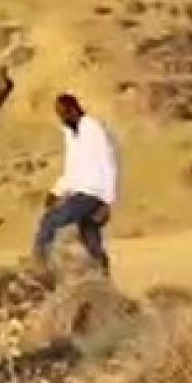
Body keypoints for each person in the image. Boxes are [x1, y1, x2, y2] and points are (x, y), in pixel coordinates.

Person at [34, 93, 118, 276]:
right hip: (79, 191)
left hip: (92, 192)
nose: (61, 119)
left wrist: (107, 201)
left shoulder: (93, 130)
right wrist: (56, 191)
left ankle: (39, 267)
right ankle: (102, 273)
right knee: (89, 231)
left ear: (73, 110)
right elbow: (72, 169)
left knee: (50, 221)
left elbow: (108, 163)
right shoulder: (70, 133)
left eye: (63, 114)